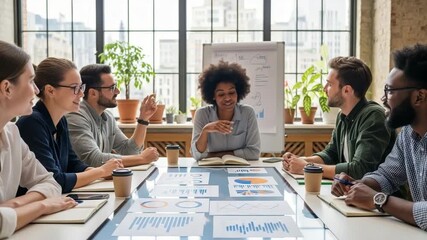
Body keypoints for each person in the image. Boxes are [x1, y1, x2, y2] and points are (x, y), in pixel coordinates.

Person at [332, 44, 427, 230]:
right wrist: (356, 185)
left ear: (419, 97)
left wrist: (378, 200)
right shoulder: (407, 134)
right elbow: (386, 176)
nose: (384, 99)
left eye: (390, 91)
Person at [0, 41, 77, 238]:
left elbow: (50, 182)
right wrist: (41, 205)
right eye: (31, 81)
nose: (36, 90)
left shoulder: (11, 133)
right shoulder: (29, 124)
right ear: (7, 88)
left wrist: (14, 205)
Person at [16, 57, 123, 194]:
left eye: (81, 87)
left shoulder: (61, 121)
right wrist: (101, 171)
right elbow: (55, 180)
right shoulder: (32, 123)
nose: (81, 94)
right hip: (31, 209)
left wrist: (101, 172)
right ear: (50, 91)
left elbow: (74, 164)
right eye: (74, 88)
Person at [283, 56, 395, 179]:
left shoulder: (374, 116)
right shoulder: (342, 116)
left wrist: (307, 167)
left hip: (381, 196)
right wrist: (298, 160)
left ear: (347, 90)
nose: (325, 89)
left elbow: (360, 170)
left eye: (330, 84)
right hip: (352, 192)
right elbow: (331, 154)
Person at [65, 64, 159, 167]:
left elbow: (128, 150)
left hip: (98, 181)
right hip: (82, 182)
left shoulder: (108, 117)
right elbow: (94, 159)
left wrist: (143, 119)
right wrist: (142, 158)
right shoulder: (75, 117)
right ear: (93, 93)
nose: (118, 91)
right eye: (112, 88)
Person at [191, 60, 260, 160]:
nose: (227, 98)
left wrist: (213, 155)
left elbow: (254, 153)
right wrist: (205, 130)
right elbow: (197, 155)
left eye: (231, 93)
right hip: (212, 170)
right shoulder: (202, 114)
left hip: (241, 170)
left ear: (238, 92)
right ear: (213, 96)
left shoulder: (248, 113)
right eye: (221, 94)